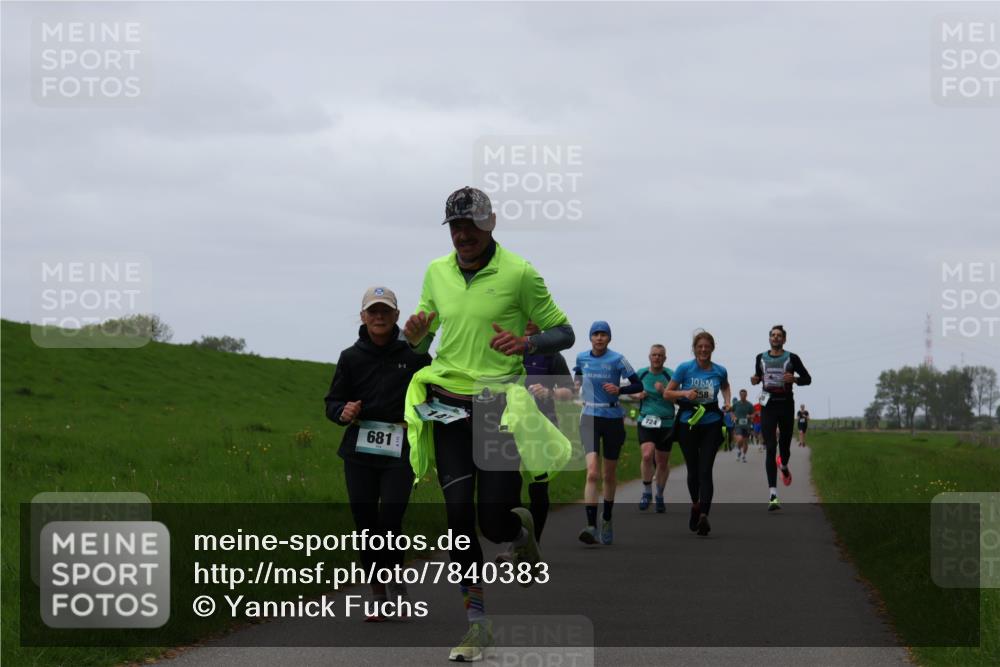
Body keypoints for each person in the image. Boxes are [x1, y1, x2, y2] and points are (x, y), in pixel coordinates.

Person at [402, 186, 575, 662]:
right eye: (455, 226)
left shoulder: (519, 273)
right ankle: (477, 625)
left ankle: (519, 536)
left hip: (498, 410)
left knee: (492, 522)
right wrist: (414, 339)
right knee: (459, 520)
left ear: (491, 223)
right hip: (450, 408)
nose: (462, 235)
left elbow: (564, 330)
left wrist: (527, 345)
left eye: (471, 225)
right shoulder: (436, 273)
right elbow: (422, 338)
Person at [324, 287, 431, 621]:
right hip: (359, 451)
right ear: (363, 317)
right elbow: (332, 402)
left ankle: (395, 581)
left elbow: (432, 394)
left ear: (397, 316)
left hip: (400, 448)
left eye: (386, 311)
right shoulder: (351, 356)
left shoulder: (416, 357)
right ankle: (378, 594)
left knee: (390, 520)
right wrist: (343, 411)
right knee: (366, 524)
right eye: (373, 311)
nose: (379, 316)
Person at [573, 321, 643, 545]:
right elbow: (577, 376)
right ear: (590, 338)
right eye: (596, 334)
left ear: (609, 338)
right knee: (592, 472)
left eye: (603, 334)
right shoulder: (582, 358)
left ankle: (607, 518)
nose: (599, 338)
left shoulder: (618, 359)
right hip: (589, 417)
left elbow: (638, 385)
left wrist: (619, 389)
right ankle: (591, 526)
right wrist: (574, 386)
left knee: (609, 475)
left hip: (612, 418)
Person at [662, 330, 731, 536]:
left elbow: (726, 387)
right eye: (699, 347)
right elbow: (667, 393)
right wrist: (684, 393)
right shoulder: (685, 368)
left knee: (705, 469)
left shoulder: (720, 370)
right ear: (694, 349)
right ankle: (695, 505)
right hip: (688, 422)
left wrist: (727, 402)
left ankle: (704, 516)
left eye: (707, 347)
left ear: (712, 348)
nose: (703, 350)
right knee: (692, 470)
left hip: (711, 421)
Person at [751, 324, 813, 511]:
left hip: (786, 404)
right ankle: (773, 495)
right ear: (769, 338)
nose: (776, 338)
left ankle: (783, 465)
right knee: (771, 447)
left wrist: (794, 379)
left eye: (779, 336)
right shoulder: (760, 357)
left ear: (784, 340)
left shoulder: (792, 358)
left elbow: (808, 379)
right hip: (768, 405)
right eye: (773, 335)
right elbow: (758, 376)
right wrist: (755, 379)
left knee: (784, 446)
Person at [632, 344, 676, 514]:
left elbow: (678, 400)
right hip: (646, 420)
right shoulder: (641, 373)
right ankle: (646, 492)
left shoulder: (670, 375)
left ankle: (659, 495)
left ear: (665, 358)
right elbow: (630, 391)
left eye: (660, 355)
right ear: (649, 357)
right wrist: (637, 395)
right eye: (654, 355)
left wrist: (664, 390)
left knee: (663, 462)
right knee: (647, 454)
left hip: (666, 423)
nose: (656, 358)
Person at [732, 389, 754, 463]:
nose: (743, 396)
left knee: (745, 442)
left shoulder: (750, 405)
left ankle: (744, 456)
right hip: (738, 425)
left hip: (747, 426)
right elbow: (731, 411)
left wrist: (750, 416)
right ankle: (738, 450)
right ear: (740, 395)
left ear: (746, 395)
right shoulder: (736, 404)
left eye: (744, 395)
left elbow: (753, 415)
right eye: (741, 395)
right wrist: (733, 417)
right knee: (740, 439)